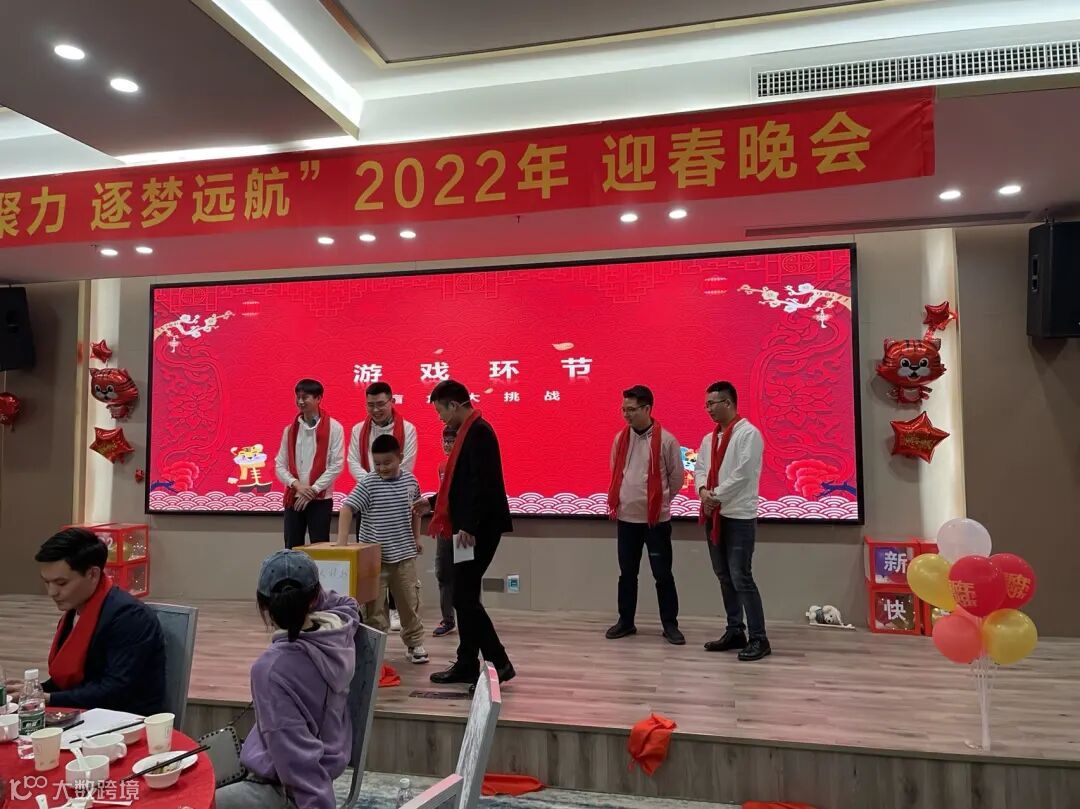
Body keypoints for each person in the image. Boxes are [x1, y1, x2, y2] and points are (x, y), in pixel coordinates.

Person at [215, 550, 359, 809]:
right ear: (315, 598)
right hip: (313, 762)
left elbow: (298, 763)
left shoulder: (271, 670)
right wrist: (306, 595)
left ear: (263, 606)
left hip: (283, 788)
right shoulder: (341, 631)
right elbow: (348, 603)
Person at [413, 379, 515, 693]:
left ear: (454, 405)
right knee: (462, 594)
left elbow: (481, 486)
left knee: (464, 597)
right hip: (466, 528)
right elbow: (459, 486)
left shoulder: (479, 432)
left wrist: (469, 526)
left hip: (477, 529)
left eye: (441, 411)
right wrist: (432, 502)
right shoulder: (468, 432)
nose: (440, 418)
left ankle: (499, 662)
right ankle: (467, 662)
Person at [11, 528, 166, 715]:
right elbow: (69, 681)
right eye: (46, 582)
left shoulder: (130, 617)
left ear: (93, 574)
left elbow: (116, 691)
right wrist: (33, 691)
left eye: (61, 583)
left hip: (124, 720)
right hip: (87, 714)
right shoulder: (74, 611)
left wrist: (48, 698)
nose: (52, 592)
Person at [694, 381, 770, 661]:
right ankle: (735, 630)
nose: (708, 409)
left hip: (739, 516)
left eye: (712, 404)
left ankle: (759, 638)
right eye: (706, 405)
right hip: (714, 515)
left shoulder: (748, 434)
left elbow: (743, 474)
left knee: (741, 576)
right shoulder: (709, 439)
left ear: (728, 403)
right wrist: (703, 491)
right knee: (724, 576)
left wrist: (715, 496)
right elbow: (700, 468)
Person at [336, 434, 428, 664]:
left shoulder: (411, 481)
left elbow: (417, 511)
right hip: (373, 560)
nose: (382, 468)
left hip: (404, 557)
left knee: (409, 603)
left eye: (387, 462)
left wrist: (417, 537)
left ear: (400, 458)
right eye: (377, 463)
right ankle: (374, 650)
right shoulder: (368, 483)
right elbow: (347, 509)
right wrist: (341, 544)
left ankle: (415, 643)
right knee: (374, 609)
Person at [606, 385, 686, 645]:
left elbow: (676, 478)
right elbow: (616, 473)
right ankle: (626, 621)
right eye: (623, 409)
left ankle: (670, 625)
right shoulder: (620, 439)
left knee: (663, 574)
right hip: (627, 519)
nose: (626, 415)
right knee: (627, 574)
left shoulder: (667, 440)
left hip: (656, 521)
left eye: (631, 409)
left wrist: (657, 502)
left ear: (647, 408)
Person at [347, 381, 418, 633]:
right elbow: (353, 461)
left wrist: (382, 480)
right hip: (368, 499)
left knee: (399, 564)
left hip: (396, 501)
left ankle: (398, 611)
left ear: (391, 402)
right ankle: (374, 619)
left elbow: (406, 462)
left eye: (380, 404)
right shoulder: (358, 430)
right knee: (372, 566)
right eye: (370, 405)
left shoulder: (407, 429)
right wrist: (372, 483)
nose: (375, 409)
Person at [275, 379, 345, 549]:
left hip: (320, 498)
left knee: (320, 547)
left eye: (305, 397)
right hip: (294, 497)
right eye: (297, 397)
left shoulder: (334, 428)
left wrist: (313, 490)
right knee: (291, 547)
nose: (300, 401)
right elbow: (279, 465)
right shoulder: (290, 430)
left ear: (318, 398)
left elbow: (337, 465)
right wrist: (297, 485)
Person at [432, 424, 457, 638]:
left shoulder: (466, 463)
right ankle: (448, 619)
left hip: (462, 528)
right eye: (445, 441)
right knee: (443, 572)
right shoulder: (441, 465)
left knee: (466, 574)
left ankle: (469, 617)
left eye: (452, 441)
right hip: (443, 526)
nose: (448, 445)